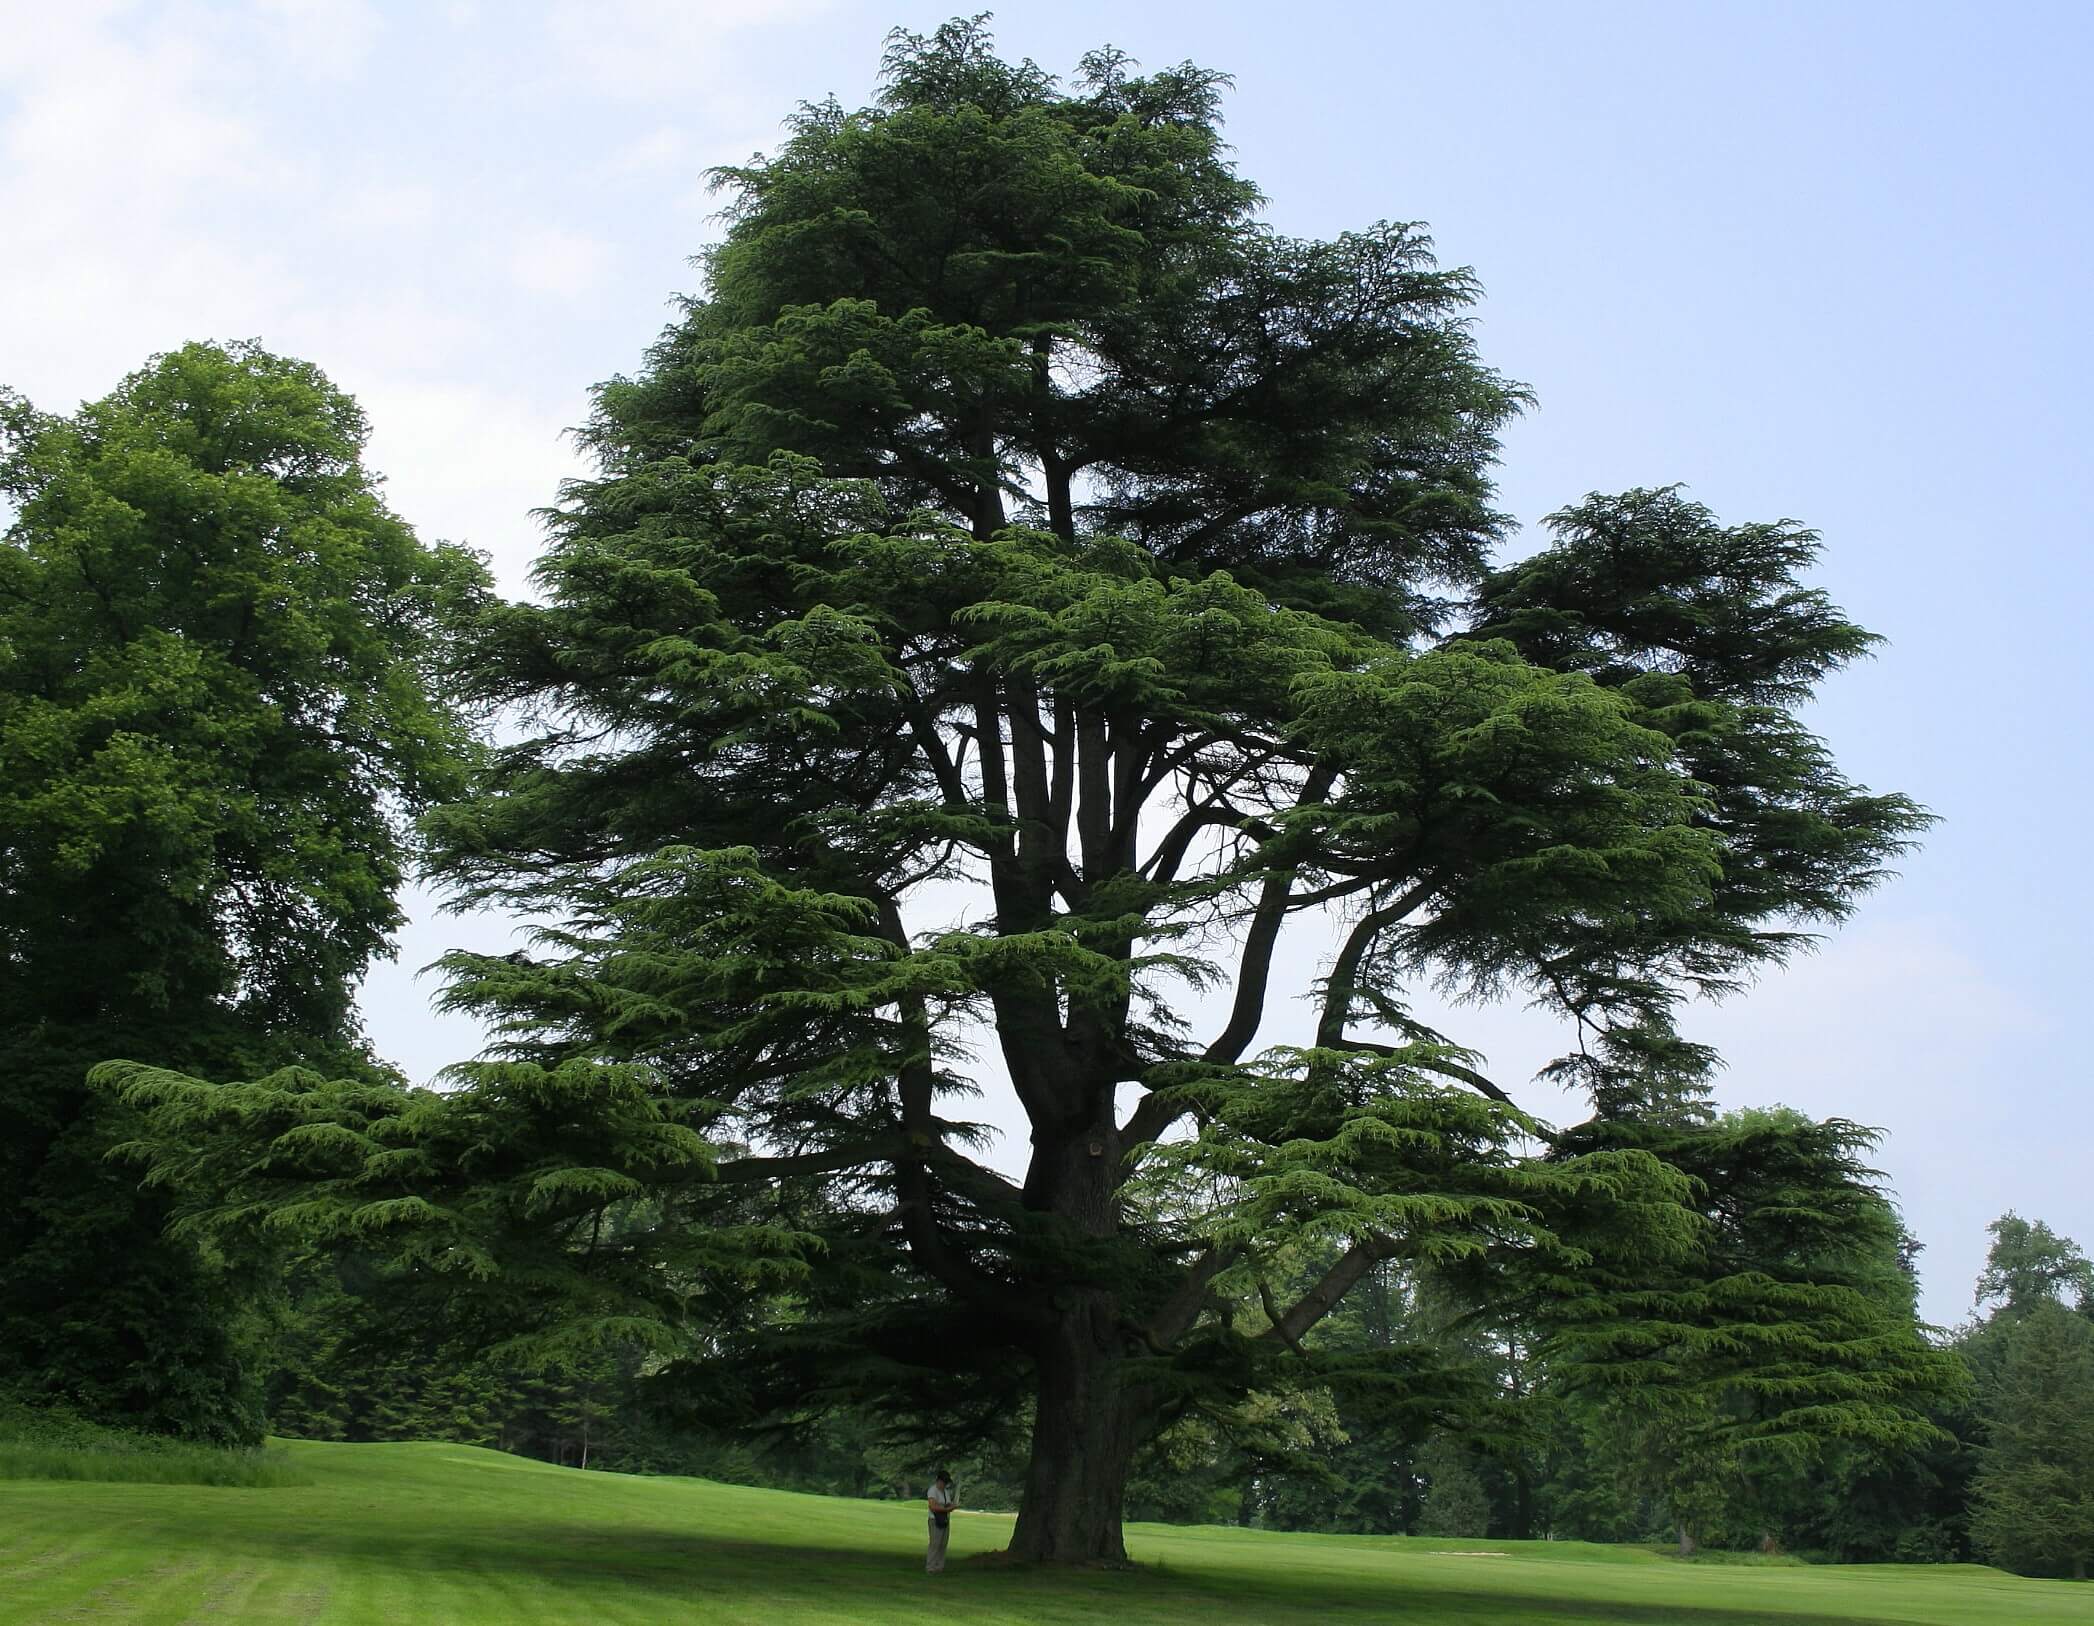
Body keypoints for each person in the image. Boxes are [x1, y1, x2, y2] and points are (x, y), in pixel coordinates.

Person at [925, 1469, 957, 1573]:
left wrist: (951, 1506)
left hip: (944, 1519)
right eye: (944, 1482)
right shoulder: (932, 1491)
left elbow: (946, 1503)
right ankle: (930, 1567)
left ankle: (939, 1566)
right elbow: (933, 1506)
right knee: (935, 1544)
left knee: (943, 1544)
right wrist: (947, 1509)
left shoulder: (945, 1492)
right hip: (935, 1520)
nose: (944, 1485)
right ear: (939, 1481)